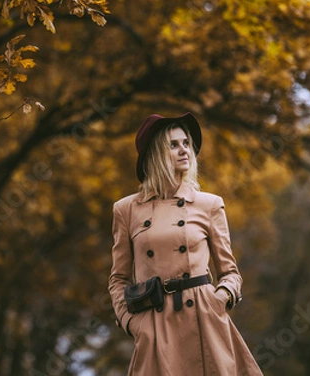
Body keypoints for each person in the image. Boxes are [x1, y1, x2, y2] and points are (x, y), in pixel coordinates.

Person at [108, 112, 263, 375]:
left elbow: (230, 273)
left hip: (204, 320)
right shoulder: (126, 210)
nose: (184, 150)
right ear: (155, 153)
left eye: (186, 143)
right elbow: (118, 279)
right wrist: (132, 322)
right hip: (155, 324)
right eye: (174, 144)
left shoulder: (209, 204)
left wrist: (219, 299)